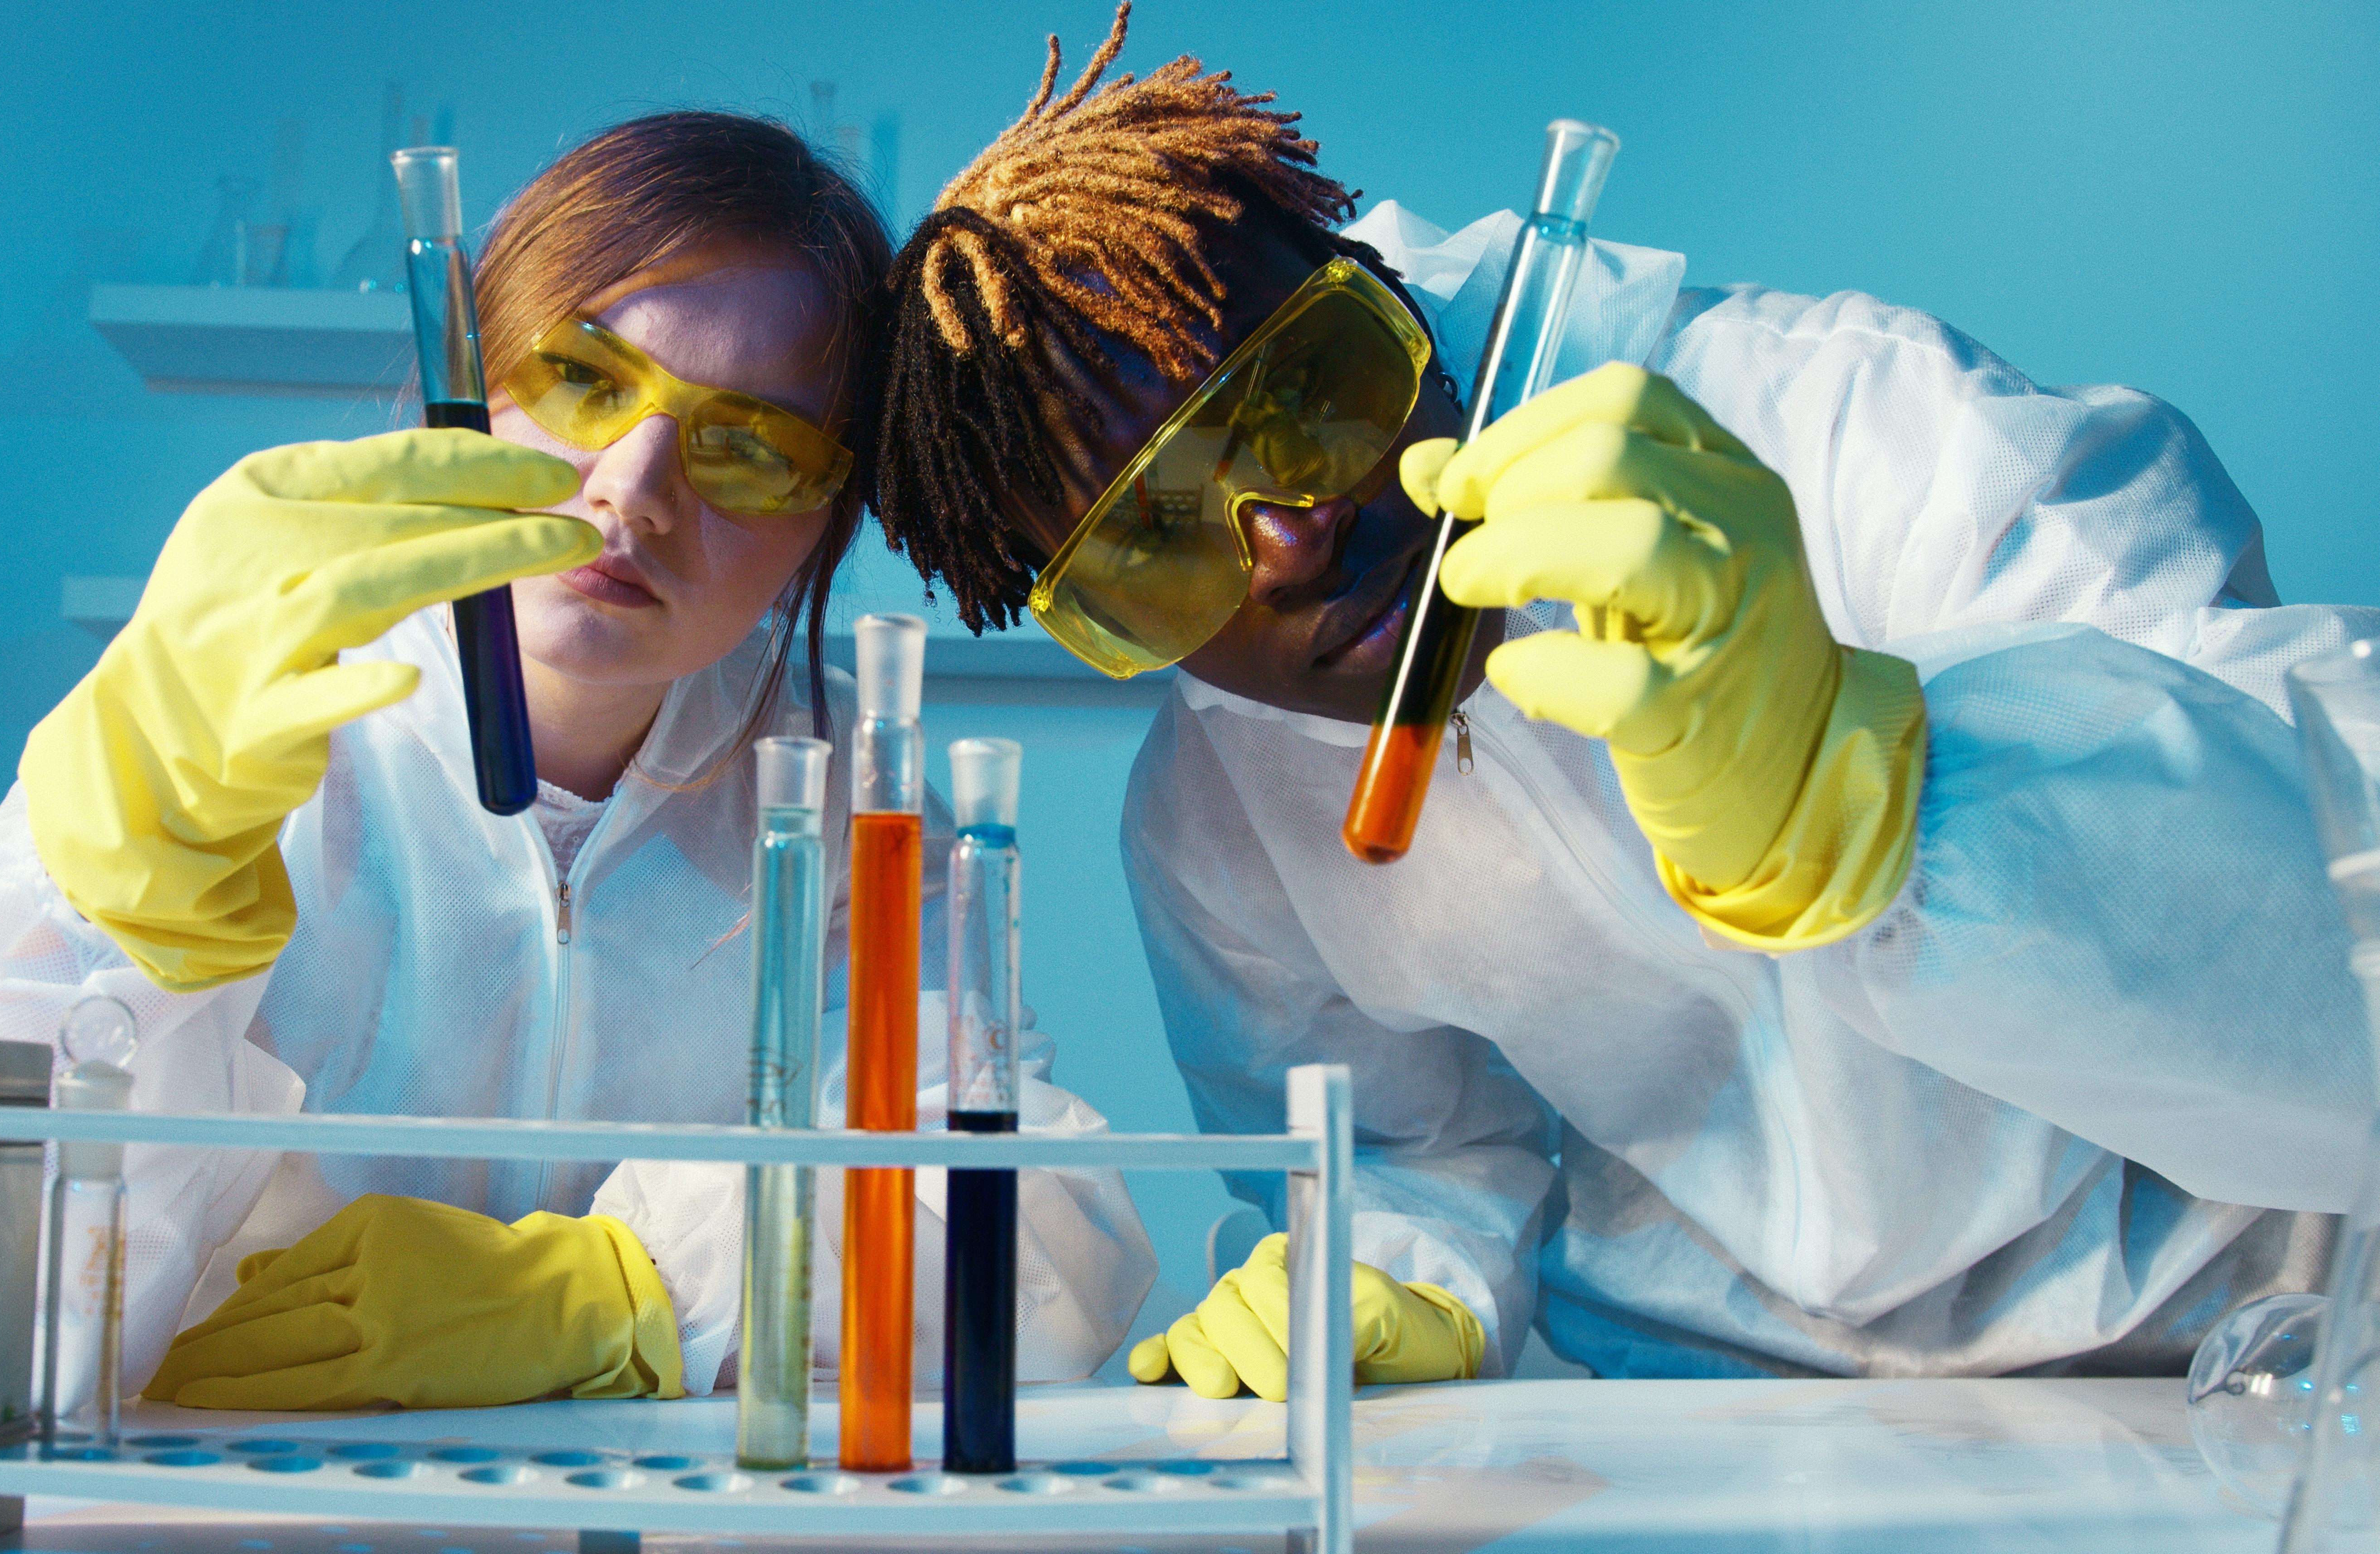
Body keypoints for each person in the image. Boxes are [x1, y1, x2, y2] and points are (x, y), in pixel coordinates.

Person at [864, 7, 2378, 1386]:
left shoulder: (1862, 427)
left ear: (1381, 290)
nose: (1286, 536)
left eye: (1292, 391)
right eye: (1148, 537)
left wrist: (1887, 793)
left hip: (2245, 1338)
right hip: (1727, 1412)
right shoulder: (1212, 821)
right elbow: (1417, 1152)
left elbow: (2343, 901)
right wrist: (1400, 1268)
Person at [0, 112, 1152, 1410]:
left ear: (828, 522)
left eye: (748, 445)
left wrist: (633, 1292)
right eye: (586, 379)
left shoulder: (843, 790)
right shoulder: (250, 722)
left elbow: (1032, 1236)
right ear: (466, 389)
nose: (634, 487)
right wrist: (115, 900)